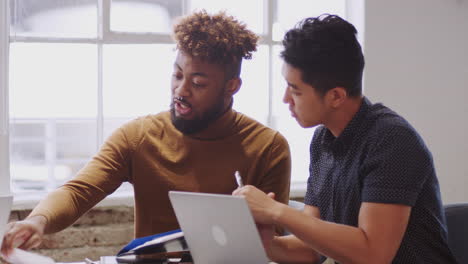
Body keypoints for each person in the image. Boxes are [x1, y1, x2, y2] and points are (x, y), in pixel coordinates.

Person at [1, 10, 291, 256]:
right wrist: (37, 221)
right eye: (177, 75)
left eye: (198, 83)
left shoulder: (267, 147)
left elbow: (272, 242)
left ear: (232, 86)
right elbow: (78, 192)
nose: (181, 90)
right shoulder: (139, 136)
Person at [234, 14, 457, 263]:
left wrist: (275, 211)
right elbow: (312, 249)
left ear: (336, 96)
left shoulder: (392, 140)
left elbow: (373, 254)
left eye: (295, 90)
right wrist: (267, 244)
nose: (286, 99)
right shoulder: (322, 140)